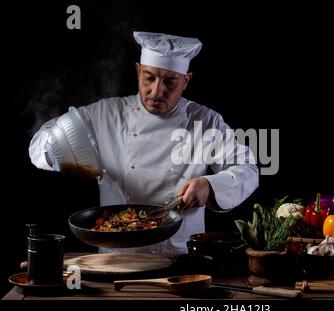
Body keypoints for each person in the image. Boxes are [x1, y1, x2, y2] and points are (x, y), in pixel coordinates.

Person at [28, 31, 259, 253]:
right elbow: (41, 142)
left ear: (186, 81)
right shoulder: (107, 113)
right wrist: (55, 150)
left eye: (170, 82)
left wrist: (210, 186)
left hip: (181, 256)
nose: (157, 91)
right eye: (149, 77)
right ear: (138, 71)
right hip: (116, 256)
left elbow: (248, 169)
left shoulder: (205, 121)